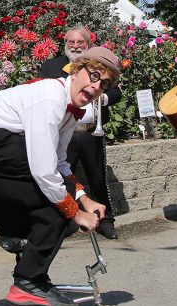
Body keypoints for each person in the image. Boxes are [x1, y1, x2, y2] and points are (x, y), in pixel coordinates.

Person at [0, 47, 119, 306]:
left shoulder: (71, 110)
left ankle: (31, 291)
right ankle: (28, 281)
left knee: (47, 211)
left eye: (104, 83)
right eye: (94, 76)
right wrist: (75, 212)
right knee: (56, 208)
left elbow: (60, 162)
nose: (97, 87)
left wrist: (85, 200)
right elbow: (43, 168)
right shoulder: (51, 97)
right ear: (75, 71)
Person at [39, 26, 122, 239]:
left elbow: (116, 91)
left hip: (89, 132)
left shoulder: (98, 64)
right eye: (71, 42)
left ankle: (106, 221)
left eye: (80, 43)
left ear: (88, 45)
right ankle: (64, 223)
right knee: (62, 180)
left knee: (97, 179)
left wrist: (102, 98)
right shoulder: (52, 65)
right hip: (64, 134)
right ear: (65, 44)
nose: (75, 46)